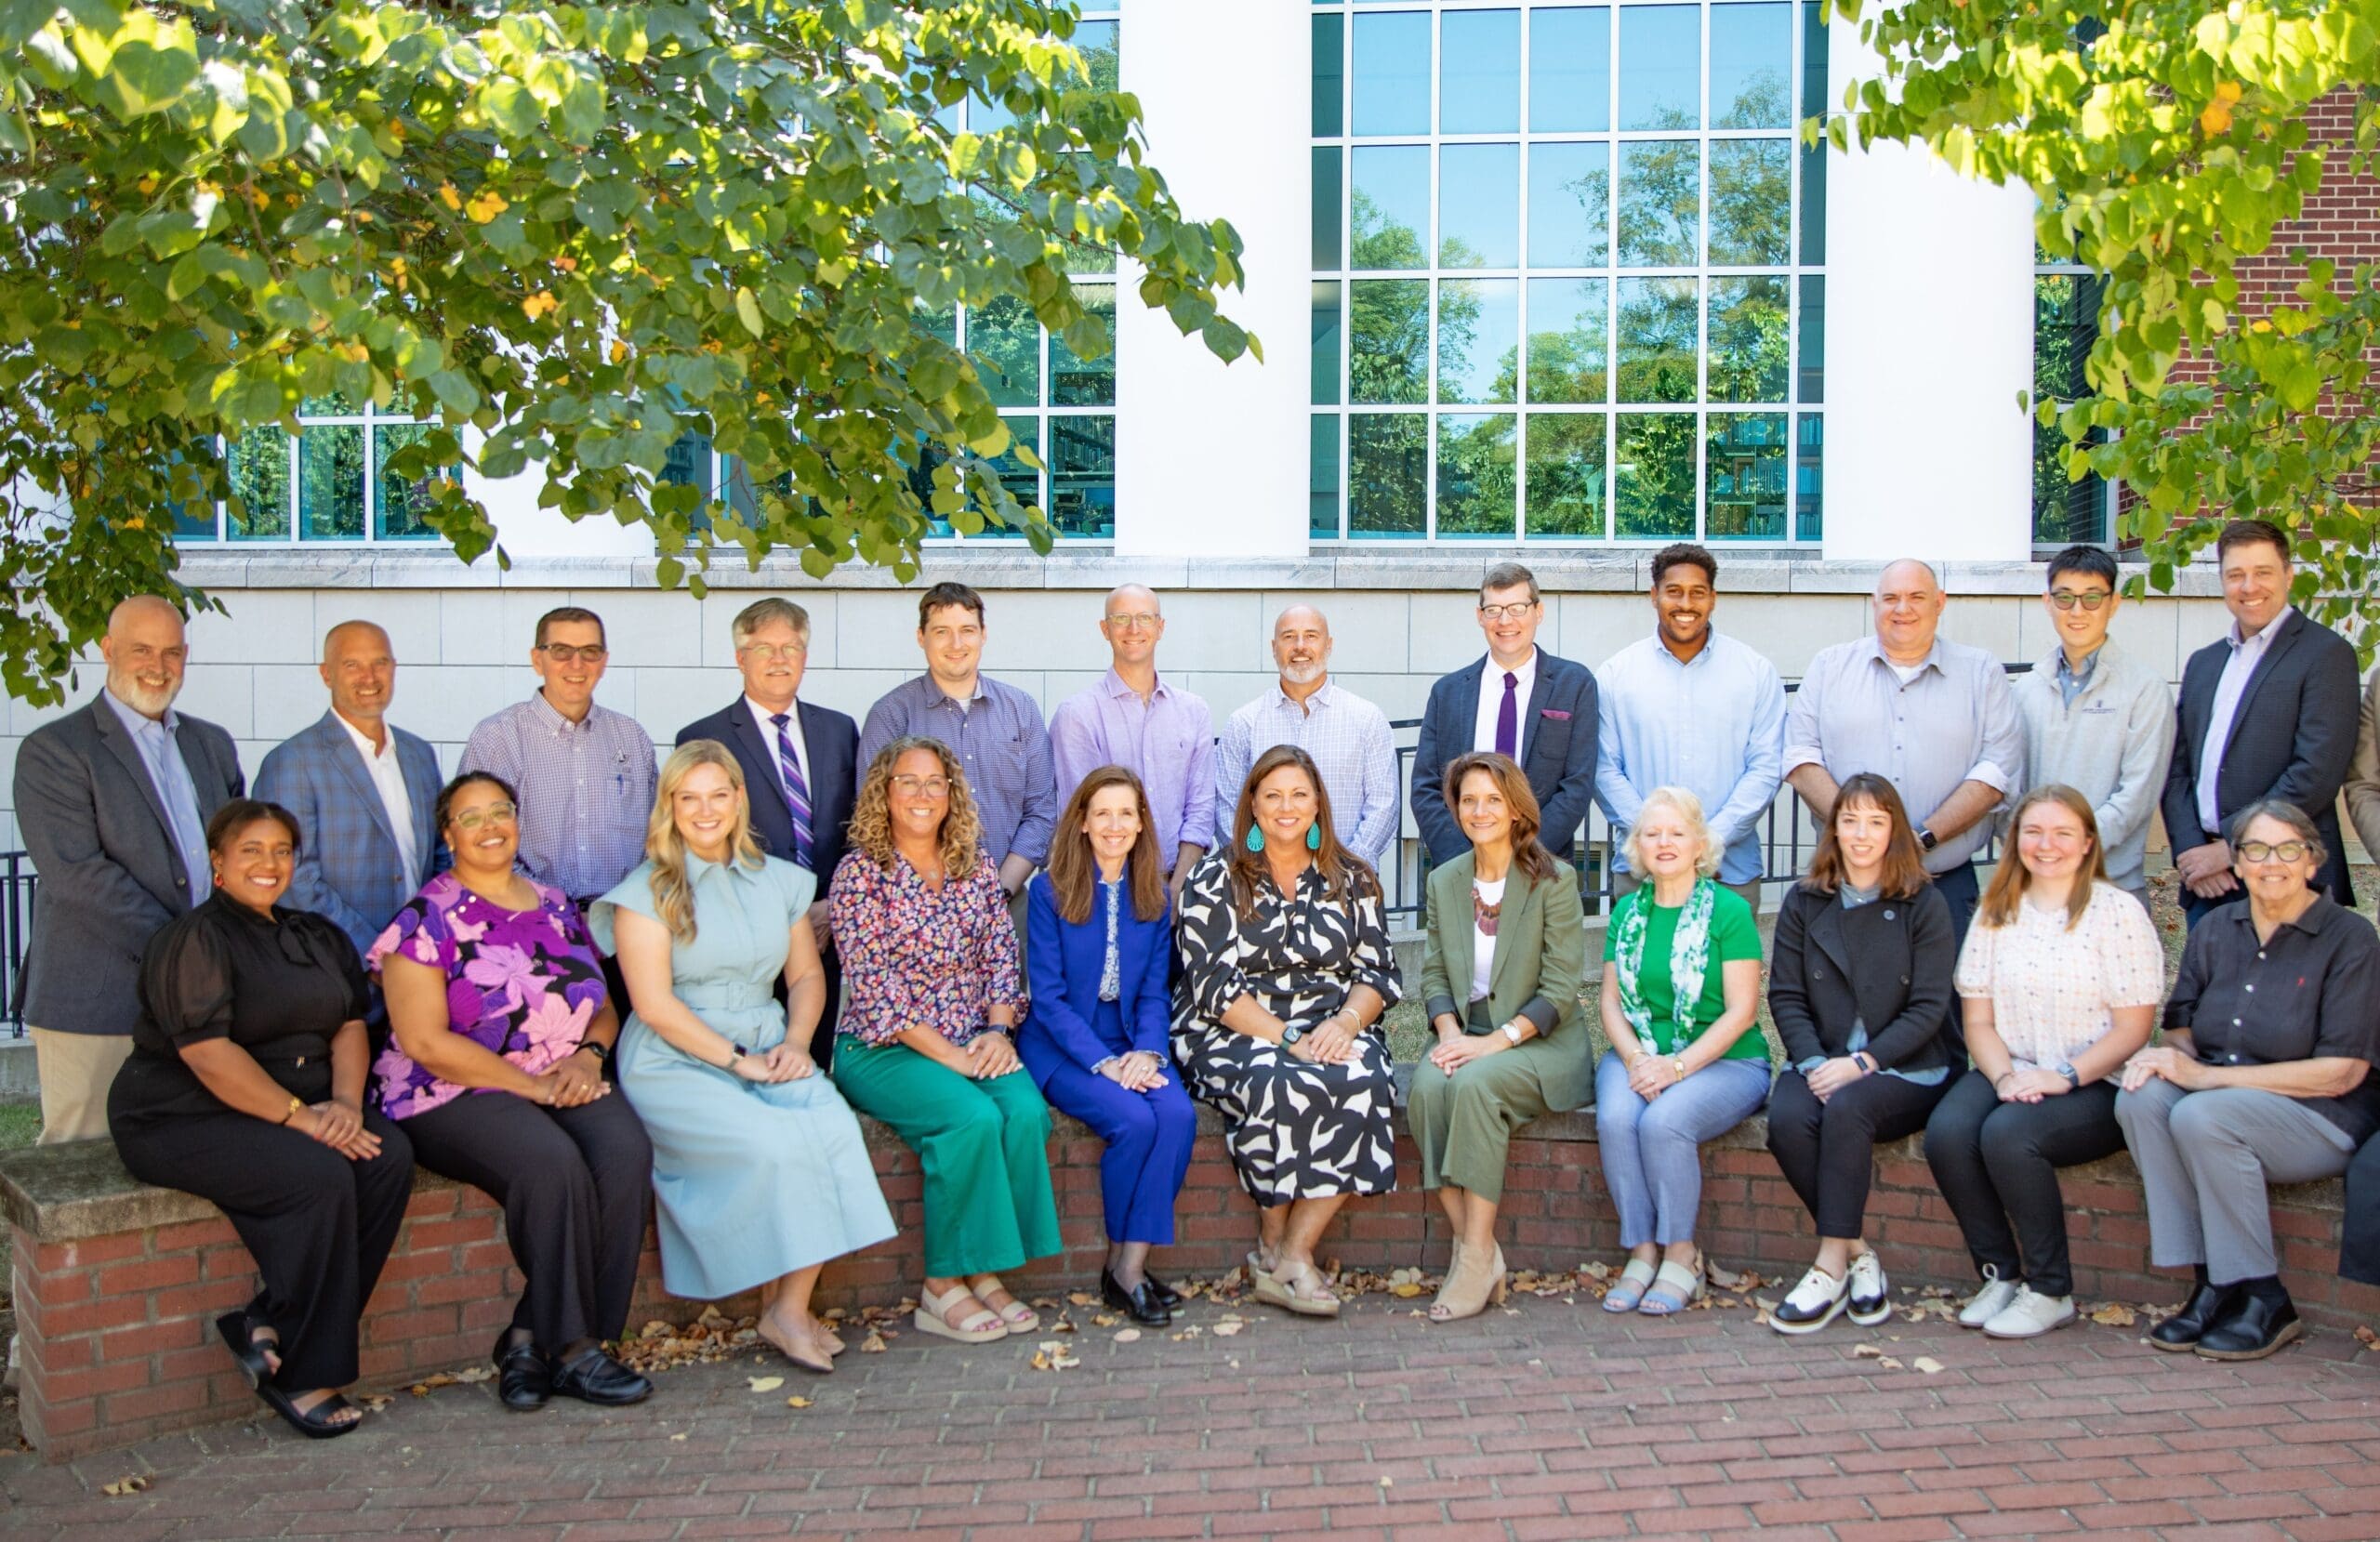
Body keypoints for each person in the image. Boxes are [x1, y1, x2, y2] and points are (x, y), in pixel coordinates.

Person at [107, 799, 414, 1439]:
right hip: (182, 1112)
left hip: (299, 1101)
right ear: (217, 861)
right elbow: (208, 1055)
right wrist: (303, 1118)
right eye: (251, 849)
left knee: (386, 1156)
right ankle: (303, 1373)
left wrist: (347, 1104)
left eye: (281, 850)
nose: (268, 863)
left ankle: (270, 1318)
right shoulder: (195, 939)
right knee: (319, 1174)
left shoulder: (316, 933)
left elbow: (349, 1024)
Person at [590, 743, 896, 1373]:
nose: (705, 810)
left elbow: (806, 977)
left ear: (738, 799)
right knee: (773, 1142)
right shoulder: (644, 892)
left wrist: (795, 1043)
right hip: (676, 1055)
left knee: (833, 1127)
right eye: (689, 798)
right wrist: (739, 1062)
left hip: (769, 1036)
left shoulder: (778, 879)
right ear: (670, 806)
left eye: (717, 795)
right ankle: (782, 1308)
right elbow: (653, 1005)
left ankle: (787, 1306)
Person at [371, 771, 654, 1412]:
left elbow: (601, 1005)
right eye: (470, 817)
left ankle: (530, 1337)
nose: (489, 826)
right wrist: (530, 1087)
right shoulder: (424, 918)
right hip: (449, 1088)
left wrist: (589, 1057)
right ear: (448, 836)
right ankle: (574, 1349)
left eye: (500, 811)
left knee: (624, 1152)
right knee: (550, 1164)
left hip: (559, 1071)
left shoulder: (556, 905)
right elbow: (424, 1041)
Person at [2118, 801, 2380, 1361]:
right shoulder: (2216, 928)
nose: (2271, 862)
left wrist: (2207, 1079)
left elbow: (2343, 1072)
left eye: (2288, 849)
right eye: (2256, 850)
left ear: (2313, 861)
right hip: (2222, 1104)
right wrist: (2171, 1061)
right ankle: (2213, 1281)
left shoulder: (2350, 938)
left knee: (2203, 1113)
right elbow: (2181, 1028)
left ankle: (2265, 1296)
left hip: (2320, 1117)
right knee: (2141, 1098)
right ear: (2236, 864)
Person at [829, 737, 1061, 1344]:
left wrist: (998, 1031)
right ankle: (940, 1285)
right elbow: (877, 988)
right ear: (884, 792)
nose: (923, 794)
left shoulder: (973, 864)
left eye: (936, 783)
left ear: (952, 793)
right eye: (908, 781)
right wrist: (955, 1058)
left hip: (973, 1035)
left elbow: (1001, 955)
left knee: (1024, 1111)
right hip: (882, 1047)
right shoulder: (860, 875)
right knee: (969, 1118)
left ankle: (982, 1269)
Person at [1924, 785, 2163, 1338]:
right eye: (2033, 832)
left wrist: (2063, 1077)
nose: (2046, 845)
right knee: (1948, 1132)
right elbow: (1978, 1021)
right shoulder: (1997, 909)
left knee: (2009, 1136)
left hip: (2098, 1079)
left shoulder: (2117, 913)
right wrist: (2006, 1077)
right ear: (2016, 840)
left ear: (2087, 843)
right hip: (2011, 1063)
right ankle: (2000, 1273)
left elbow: (2133, 1029)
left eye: (2062, 833)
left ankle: (2051, 1290)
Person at [1174, 745, 1403, 1317]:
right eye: (1272, 795)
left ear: (1318, 803)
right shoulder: (1215, 877)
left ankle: (1292, 1252)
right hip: (1231, 1026)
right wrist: (1286, 1037)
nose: (1286, 807)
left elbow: (1378, 973)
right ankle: (1275, 1244)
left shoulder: (1352, 877)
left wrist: (1346, 1023)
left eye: (1299, 794)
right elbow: (1214, 986)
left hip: (1332, 1021)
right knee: (1276, 1078)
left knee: (1366, 1077)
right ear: (1252, 804)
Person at [15, 595, 245, 1141]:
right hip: (98, 1002)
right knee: (87, 1164)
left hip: (203, 1001)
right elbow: (79, 876)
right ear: (108, 649)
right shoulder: (55, 750)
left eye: (171, 652)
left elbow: (236, 855)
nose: (157, 666)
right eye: (141, 649)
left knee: (192, 1155)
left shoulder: (211, 744)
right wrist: (191, 953)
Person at [1765, 774, 1956, 1335]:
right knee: (1788, 1118)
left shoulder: (1924, 903)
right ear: (1834, 829)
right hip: (1820, 1058)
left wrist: (1862, 1064)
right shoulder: (1805, 900)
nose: (1862, 834)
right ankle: (1859, 1253)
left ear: (1894, 830)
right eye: (1850, 821)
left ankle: (1828, 1267)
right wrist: (1813, 1063)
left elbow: (1928, 1008)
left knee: (1848, 1110)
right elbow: (1786, 995)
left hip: (1903, 1064)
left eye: (1876, 821)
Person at [1409, 753, 1590, 1322]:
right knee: (1427, 1089)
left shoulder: (1553, 880)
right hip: (1467, 1032)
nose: (1480, 810)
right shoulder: (1444, 879)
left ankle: (1471, 1260)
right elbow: (1434, 973)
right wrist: (1448, 1033)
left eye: (1493, 799)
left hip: (1540, 1042)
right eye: (1469, 800)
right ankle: (1478, 1249)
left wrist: (1493, 1044)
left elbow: (1561, 988)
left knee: (1474, 1086)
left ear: (1516, 809)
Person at [1016, 767, 1197, 1326]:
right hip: (1062, 1046)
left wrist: (1147, 1052)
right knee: (1135, 1122)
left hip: (1131, 1041)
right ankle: (1126, 1276)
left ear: (1141, 824)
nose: (1114, 825)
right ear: (1082, 823)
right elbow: (1047, 999)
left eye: (1125, 814)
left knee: (1178, 1115)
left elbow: (1154, 992)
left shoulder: (1155, 896)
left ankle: (1127, 1266)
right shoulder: (1048, 891)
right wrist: (1105, 1062)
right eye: (1102, 814)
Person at [1593, 786, 1772, 1316]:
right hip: (1639, 1051)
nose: (1664, 842)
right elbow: (1610, 1003)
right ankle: (1642, 1251)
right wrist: (1635, 1060)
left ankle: (1680, 1254)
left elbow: (1742, 1012)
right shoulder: (1627, 912)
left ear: (1700, 844)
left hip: (1727, 1059)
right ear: (1638, 846)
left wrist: (1675, 1067)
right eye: (1652, 833)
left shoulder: (1730, 911)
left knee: (1663, 1123)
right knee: (1616, 1118)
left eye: (1677, 832)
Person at [1782, 559, 2024, 944]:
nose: (1903, 608)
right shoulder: (1830, 667)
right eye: (1891, 597)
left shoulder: (1981, 673)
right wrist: (1863, 834)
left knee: (1943, 985)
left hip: (1942, 881)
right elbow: (1800, 757)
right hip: (1847, 879)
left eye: (1916, 597)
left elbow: (1996, 770)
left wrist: (1922, 839)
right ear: (1874, 603)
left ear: (1940, 602)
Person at [676, 598, 860, 1066]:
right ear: (741, 658)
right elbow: (698, 844)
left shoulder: (840, 730)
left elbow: (857, 825)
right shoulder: (703, 738)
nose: (779, 659)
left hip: (823, 925)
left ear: (805, 656)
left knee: (809, 1061)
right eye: (764, 649)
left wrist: (830, 906)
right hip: (743, 934)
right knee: (745, 1063)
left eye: (791, 647)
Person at [2164, 519, 2360, 925]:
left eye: (2263, 572)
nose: (2249, 586)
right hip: (2208, 883)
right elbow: (2176, 768)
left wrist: (2232, 848)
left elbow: (2316, 774)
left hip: (2288, 876)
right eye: (2236, 574)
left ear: (2288, 575)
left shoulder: (2327, 654)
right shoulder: (2204, 663)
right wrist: (2191, 850)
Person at [1594, 544, 1786, 907]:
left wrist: (1708, 841)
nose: (1686, 604)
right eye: (1674, 591)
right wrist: (1657, 840)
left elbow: (1766, 768)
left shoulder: (1755, 672)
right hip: (1641, 877)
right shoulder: (1616, 675)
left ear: (1713, 598)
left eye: (1697, 592)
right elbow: (1603, 769)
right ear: (1654, 596)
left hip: (1729, 875)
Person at [857, 583, 1058, 913]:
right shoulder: (890, 715)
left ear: (983, 635)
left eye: (967, 630)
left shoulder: (1021, 709)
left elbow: (1041, 810)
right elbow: (873, 816)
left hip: (1008, 901)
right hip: (917, 906)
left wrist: (998, 891)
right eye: (941, 632)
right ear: (921, 637)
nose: (956, 644)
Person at [255, 621, 444, 959]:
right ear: (326, 674)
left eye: (379, 663)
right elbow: (296, 880)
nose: (369, 677)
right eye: (352, 665)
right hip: (333, 965)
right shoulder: (293, 761)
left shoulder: (419, 755)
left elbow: (441, 856)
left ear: (394, 668)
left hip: (420, 960)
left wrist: (424, 944)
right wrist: (376, 955)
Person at [2009, 547, 2175, 908]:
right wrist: (2038, 851)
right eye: (2065, 598)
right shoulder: (2025, 691)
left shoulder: (2144, 690)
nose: (2077, 611)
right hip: (2035, 889)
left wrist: (2064, 848)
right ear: (2047, 602)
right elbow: (2010, 791)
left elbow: (2137, 795)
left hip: (2112, 888)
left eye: (2092, 598)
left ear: (2113, 603)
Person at [1412, 563, 1599, 865]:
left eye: (1517, 608)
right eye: (1494, 610)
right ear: (1480, 616)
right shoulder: (1447, 693)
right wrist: (1468, 861)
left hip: (1542, 865)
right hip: (1461, 867)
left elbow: (1577, 784)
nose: (1505, 620)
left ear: (1538, 612)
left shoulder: (1574, 684)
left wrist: (1522, 857)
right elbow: (1425, 787)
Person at [1046, 586, 1216, 900]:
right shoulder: (1077, 715)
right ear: (1105, 629)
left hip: (1183, 888)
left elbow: (1201, 811)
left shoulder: (1193, 712)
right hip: (1107, 892)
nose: (1134, 629)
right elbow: (1081, 817)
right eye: (1121, 618)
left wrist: (1176, 891)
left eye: (1145, 618)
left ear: (1160, 627)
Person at [1216, 606, 1400, 870]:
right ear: (1274, 647)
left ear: (1329, 645)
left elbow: (1384, 804)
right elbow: (1227, 809)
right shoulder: (1244, 723)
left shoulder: (1366, 719)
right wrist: (1263, 872)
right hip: (1261, 884)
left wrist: (1346, 872)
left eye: (1311, 636)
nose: (1300, 646)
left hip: (1346, 882)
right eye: (1289, 636)